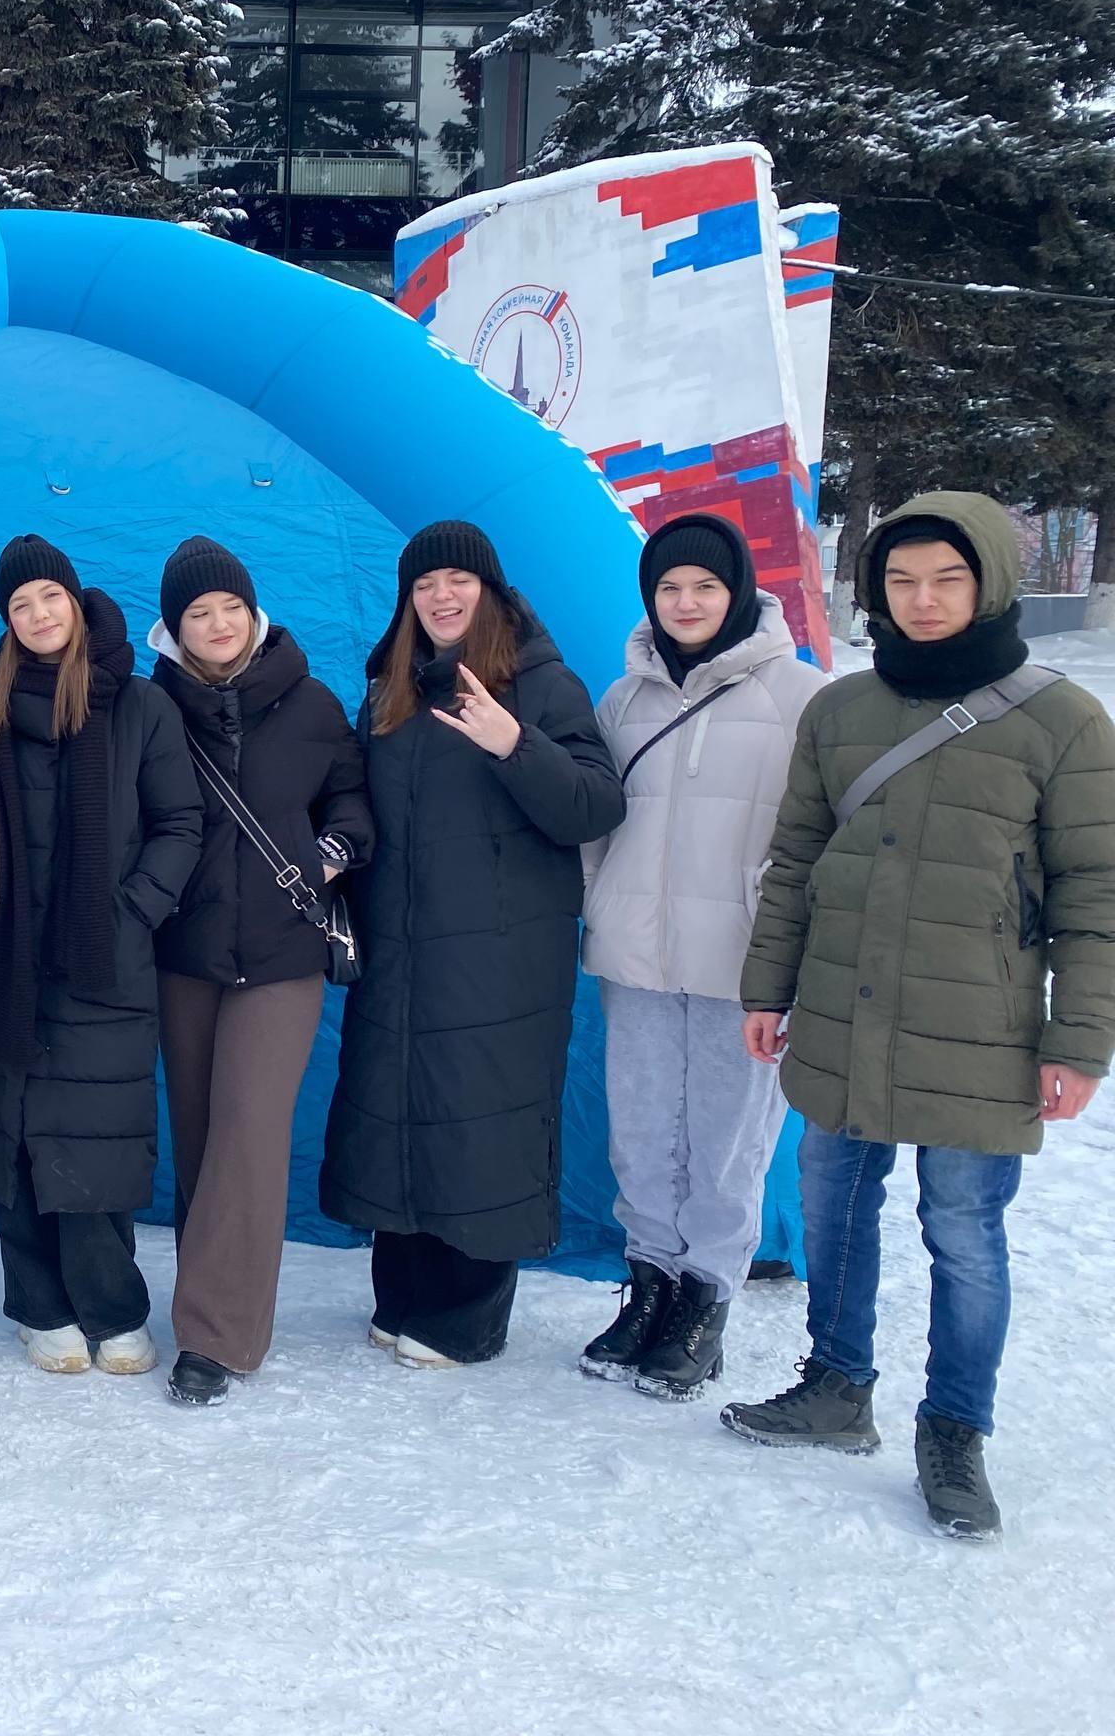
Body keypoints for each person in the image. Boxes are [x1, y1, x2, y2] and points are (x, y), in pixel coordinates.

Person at [727, 491, 1114, 1541]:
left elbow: (1094, 893)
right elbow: (794, 860)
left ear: (987, 581)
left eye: (946, 578)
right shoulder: (840, 711)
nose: (924, 599)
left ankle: (953, 1432)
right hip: (844, 1010)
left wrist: (1078, 1040)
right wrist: (769, 986)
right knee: (835, 1205)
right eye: (900, 581)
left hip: (978, 1029)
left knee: (964, 1233)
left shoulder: (1061, 722)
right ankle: (835, 1385)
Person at [322, 520, 625, 1368]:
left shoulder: (539, 683)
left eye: (458, 581)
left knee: (480, 1124)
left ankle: (466, 1316)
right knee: (399, 1115)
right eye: (425, 585)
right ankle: (405, 1295)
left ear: (490, 591)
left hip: (499, 957)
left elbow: (593, 807)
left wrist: (513, 744)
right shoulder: (392, 689)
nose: (442, 597)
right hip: (403, 947)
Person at [579, 513, 825, 1398]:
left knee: (728, 1138)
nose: (686, 603)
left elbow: (816, 833)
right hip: (637, 952)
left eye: (705, 587)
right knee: (642, 1128)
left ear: (739, 594)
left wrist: (789, 945)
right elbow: (596, 824)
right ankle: (649, 1288)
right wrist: (595, 903)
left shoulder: (799, 696)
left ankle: (706, 1301)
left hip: (742, 960)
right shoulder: (624, 699)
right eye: (670, 588)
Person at [0, 535, 202, 1376]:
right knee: (17, 1140)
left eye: (49, 598)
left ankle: (112, 1307)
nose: (37, 616)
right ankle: (37, 1306)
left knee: (96, 1142)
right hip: (5, 960)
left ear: (75, 600)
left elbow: (181, 824)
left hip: (105, 958)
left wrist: (132, 910)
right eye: (19, 605)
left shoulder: (138, 704)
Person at [149, 537, 371, 1406]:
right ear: (174, 628)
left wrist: (331, 852)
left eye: (227, 608)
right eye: (196, 613)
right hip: (186, 954)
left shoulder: (311, 703)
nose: (215, 625)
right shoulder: (151, 707)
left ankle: (217, 1336)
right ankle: (205, 1300)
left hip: (283, 954)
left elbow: (352, 801)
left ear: (254, 612)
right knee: (200, 1133)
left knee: (248, 1129)